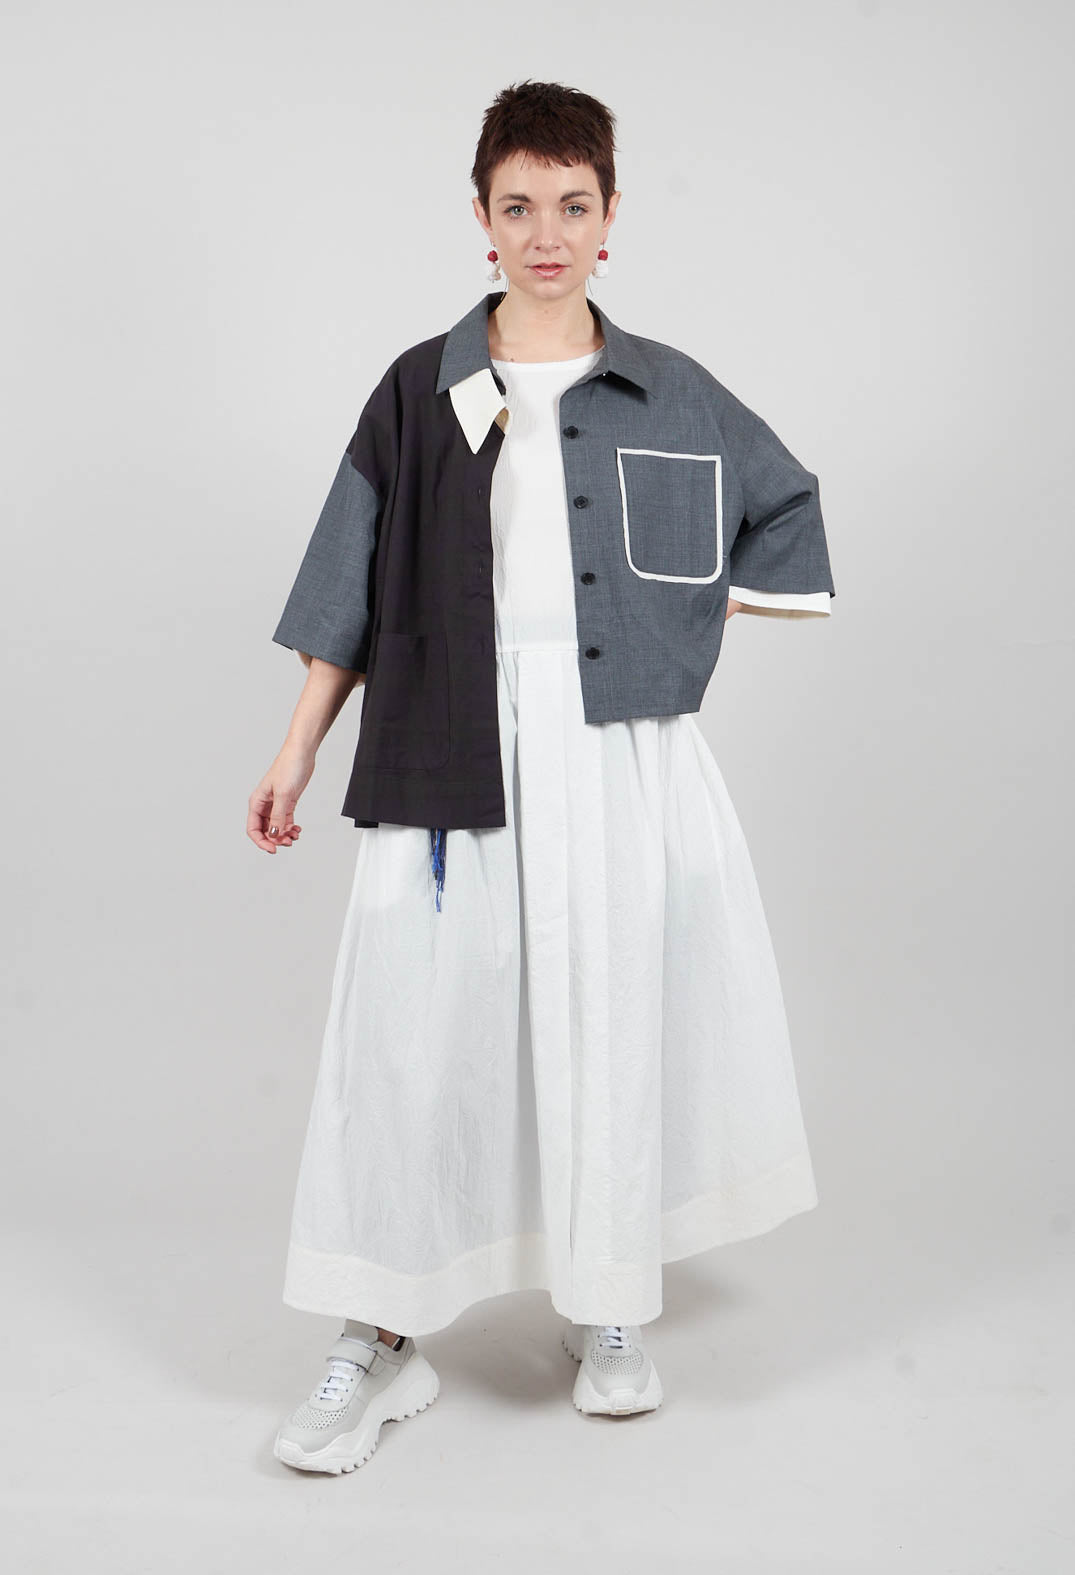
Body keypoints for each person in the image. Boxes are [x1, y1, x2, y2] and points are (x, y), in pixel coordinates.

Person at [248, 80, 836, 1474]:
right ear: (482, 217)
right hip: (446, 733)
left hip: (617, 747)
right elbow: (347, 581)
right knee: (412, 1033)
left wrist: (674, 620)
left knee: (608, 1014)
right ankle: (380, 1336)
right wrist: (297, 746)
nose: (547, 233)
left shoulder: (671, 389)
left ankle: (606, 1298)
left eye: (574, 205)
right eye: (520, 207)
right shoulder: (418, 389)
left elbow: (784, 505)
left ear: (611, 215)